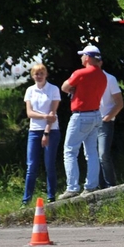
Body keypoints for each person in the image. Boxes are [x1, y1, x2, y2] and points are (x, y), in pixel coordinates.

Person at [58, 45, 107, 200]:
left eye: (82, 56)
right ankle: (91, 186)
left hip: (81, 116)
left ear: (87, 57)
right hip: (96, 115)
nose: (80, 58)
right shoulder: (102, 75)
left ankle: (72, 188)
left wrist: (74, 89)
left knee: (70, 151)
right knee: (91, 152)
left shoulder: (81, 73)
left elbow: (65, 87)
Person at [21, 64, 61, 206]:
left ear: (46, 74)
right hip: (34, 130)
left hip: (51, 131)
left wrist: (46, 133)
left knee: (49, 164)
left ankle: (51, 196)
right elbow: (29, 113)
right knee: (31, 166)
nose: (39, 76)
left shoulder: (53, 89)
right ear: (32, 76)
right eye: (36, 73)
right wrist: (44, 116)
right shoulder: (30, 90)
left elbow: (53, 115)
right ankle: (26, 200)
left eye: (41, 73)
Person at [98, 67, 124, 188]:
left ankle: (110, 185)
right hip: (90, 121)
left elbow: (119, 103)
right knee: (91, 156)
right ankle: (97, 185)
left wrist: (107, 118)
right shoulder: (84, 78)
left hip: (104, 122)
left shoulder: (109, 78)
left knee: (103, 154)